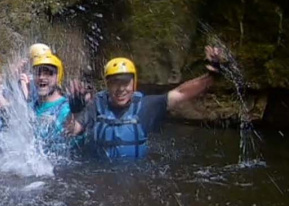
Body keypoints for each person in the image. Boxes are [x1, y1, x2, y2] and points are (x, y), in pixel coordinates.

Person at [66, 46, 225, 160]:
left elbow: (181, 93)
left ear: (134, 84)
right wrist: (75, 109)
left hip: (133, 175)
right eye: (115, 83)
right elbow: (71, 131)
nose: (121, 89)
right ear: (107, 85)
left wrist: (211, 76)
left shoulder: (146, 106)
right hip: (98, 173)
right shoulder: (96, 105)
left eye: (126, 83)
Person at [27, 54, 75, 152]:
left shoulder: (66, 108)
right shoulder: (30, 107)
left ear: (58, 77)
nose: (41, 77)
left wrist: (77, 114)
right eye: (38, 73)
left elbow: (73, 132)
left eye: (48, 73)